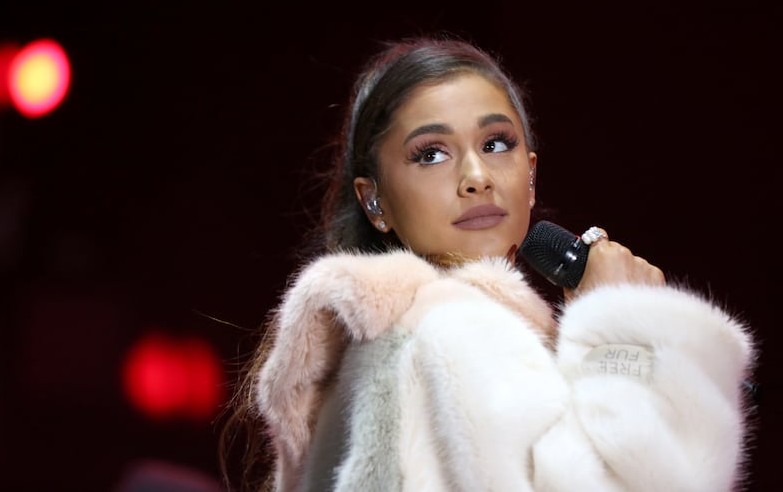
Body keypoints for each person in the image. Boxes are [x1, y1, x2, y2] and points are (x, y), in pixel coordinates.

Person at [219, 34, 757, 491]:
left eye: (497, 144)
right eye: (431, 153)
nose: (476, 176)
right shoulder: (448, 332)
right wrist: (621, 337)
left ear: (530, 174)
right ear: (374, 201)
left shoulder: (389, 337)